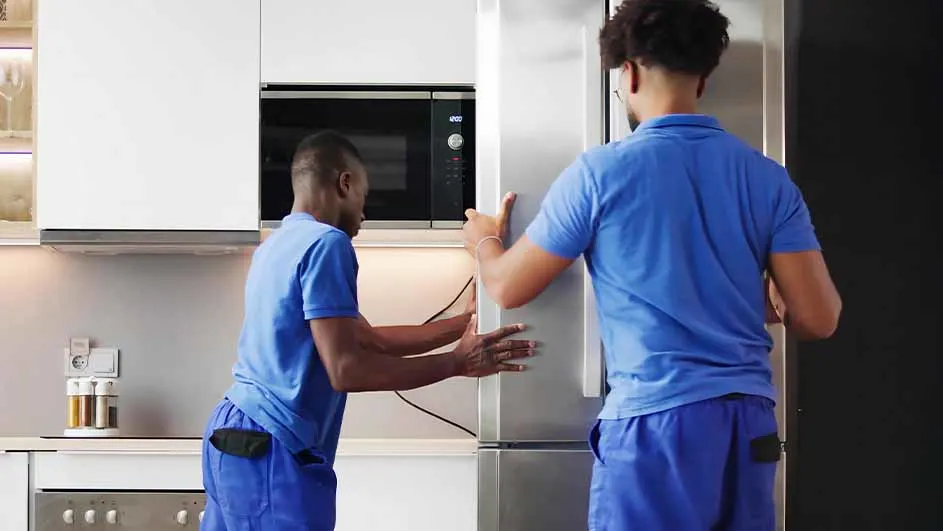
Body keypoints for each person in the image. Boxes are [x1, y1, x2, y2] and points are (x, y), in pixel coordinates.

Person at [461, 0, 842, 529]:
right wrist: (758, 299)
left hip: (654, 424)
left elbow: (507, 287)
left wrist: (484, 240)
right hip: (748, 423)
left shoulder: (600, 174)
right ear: (703, 78)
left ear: (630, 73)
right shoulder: (767, 178)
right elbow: (818, 318)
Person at [200, 131, 535, 531]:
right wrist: (456, 363)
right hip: (271, 445)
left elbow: (369, 339)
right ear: (344, 183)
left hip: (231, 436)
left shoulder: (276, 245)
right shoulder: (328, 243)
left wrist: (466, 323)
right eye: (364, 194)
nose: (364, 211)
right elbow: (347, 370)